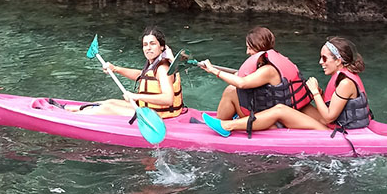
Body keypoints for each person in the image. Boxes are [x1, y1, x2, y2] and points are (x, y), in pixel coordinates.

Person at [202, 37, 371, 136]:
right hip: (335, 124)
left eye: (324, 59)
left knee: (281, 109)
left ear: (338, 60)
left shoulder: (346, 83)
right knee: (299, 105)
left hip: (336, 132)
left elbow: (328, 118)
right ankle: (262, 122)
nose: (321, 62)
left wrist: (314, 93)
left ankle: (227, 126)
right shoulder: (343, 76)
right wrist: (315, 95)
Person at [58, 26, 184, 118]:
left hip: (159, 115)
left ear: (161, 47)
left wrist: (135, 96)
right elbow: (142, 76)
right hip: (149, 109)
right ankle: (73, 110)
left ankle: (69, 117)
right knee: (109, 102)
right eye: (145, 44)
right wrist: (116, 69)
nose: (148, 48)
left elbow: (168, 99)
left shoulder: (163, 68)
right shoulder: (154, 62)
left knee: (107, 108)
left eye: (152, 44)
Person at [200, 26, 312, 127]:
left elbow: (241, 83)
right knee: (233, 89)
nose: (247, 52)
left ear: (259, 46)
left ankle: (219, 125)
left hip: (272, 120)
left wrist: (213, 70)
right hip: (276, 111)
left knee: (231, 91)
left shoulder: (268, 70)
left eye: (249, 48)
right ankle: (221, 121)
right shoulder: (274, 61)